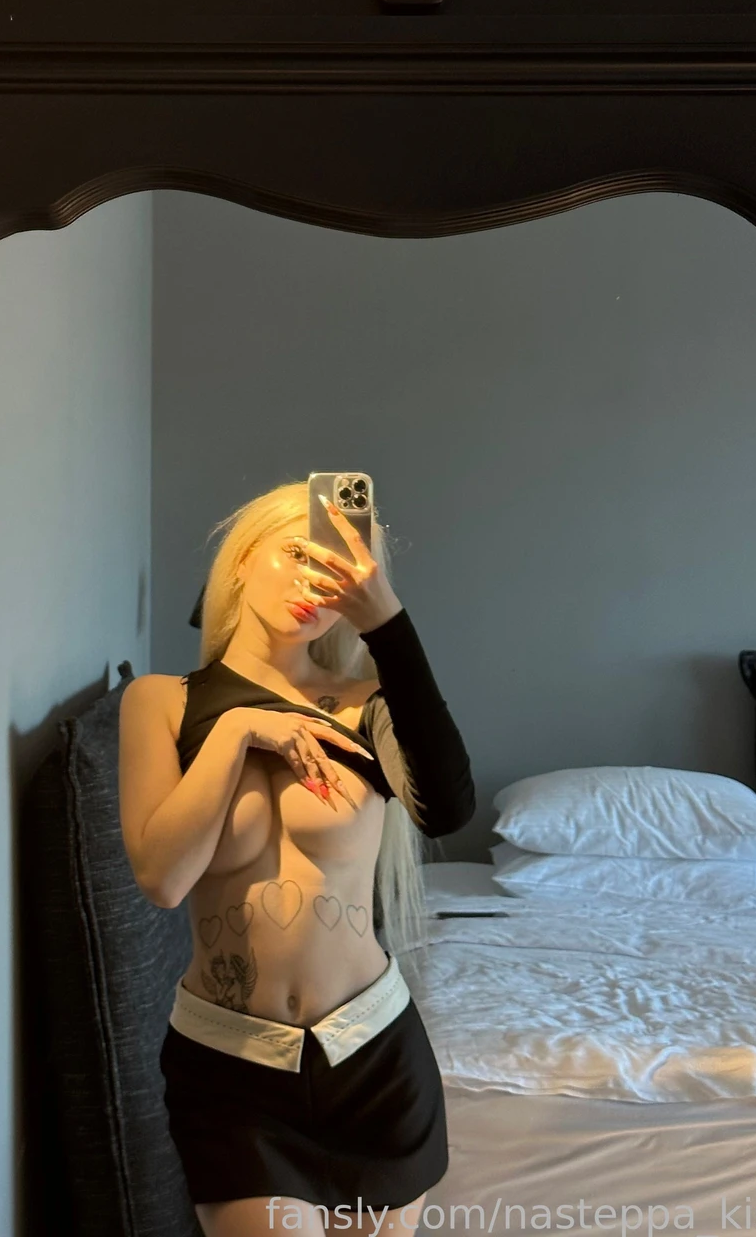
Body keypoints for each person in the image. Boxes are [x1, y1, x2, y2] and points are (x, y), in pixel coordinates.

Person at [118, 479, 475, 1237]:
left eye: (338, 572)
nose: (315, 583)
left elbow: (447, 809)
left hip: (375, 1056)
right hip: (232, 1071)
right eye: (297, 554)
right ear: (244, 560)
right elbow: (162, 879)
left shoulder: (366, 705)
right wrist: (236, 730)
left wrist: (388, 624)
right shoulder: (162, 703)